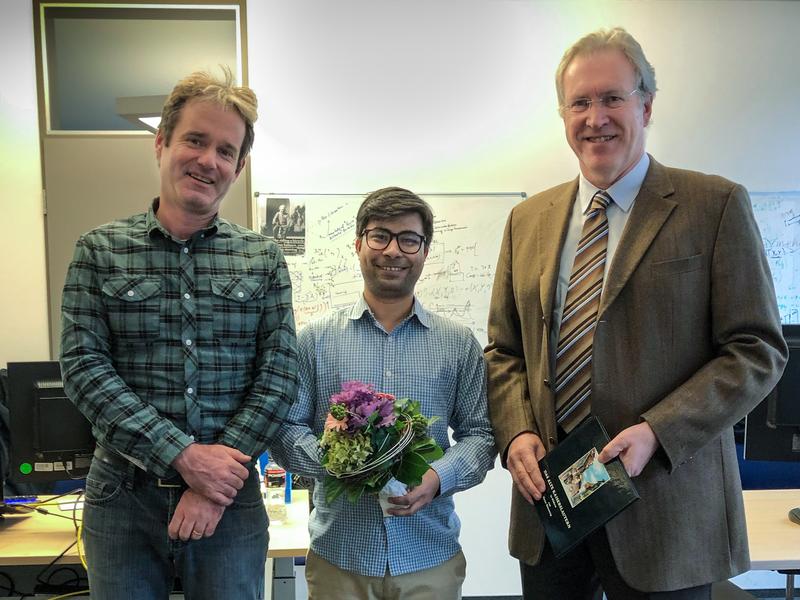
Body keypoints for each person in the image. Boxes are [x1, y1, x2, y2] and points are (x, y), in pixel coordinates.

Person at [485, 27, 787, 599]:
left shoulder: (713, 206)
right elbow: (504, 350)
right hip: (551, 509)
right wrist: (516, 429)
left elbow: (757, 349)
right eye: (580, 102)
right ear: (563, 115)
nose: (595, 117)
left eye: (611, 98)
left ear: (646, 104)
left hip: (665, 511)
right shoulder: (529, 221)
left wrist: (659, 430)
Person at [60, 69, 298, 599]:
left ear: (239, 167)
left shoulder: (263, 259)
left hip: (231, 505)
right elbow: (82, 368)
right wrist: (185, 458)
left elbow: (279, 375)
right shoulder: (99, 251)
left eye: (225, 150)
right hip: (122, 497)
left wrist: (215, 483)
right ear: (162, 142)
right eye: (195, 139)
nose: (208, 160)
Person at [270, 187, 496, 599]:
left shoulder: (458, 342)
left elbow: (480, 435)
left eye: (409, 239)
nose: (393, 250)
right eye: (380, 236)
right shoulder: (315, 340)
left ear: (425, 251)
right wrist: (341, 464)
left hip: (430, 555)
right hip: (341, 556)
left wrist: (436, 478)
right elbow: (286, 429)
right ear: (358, 244)